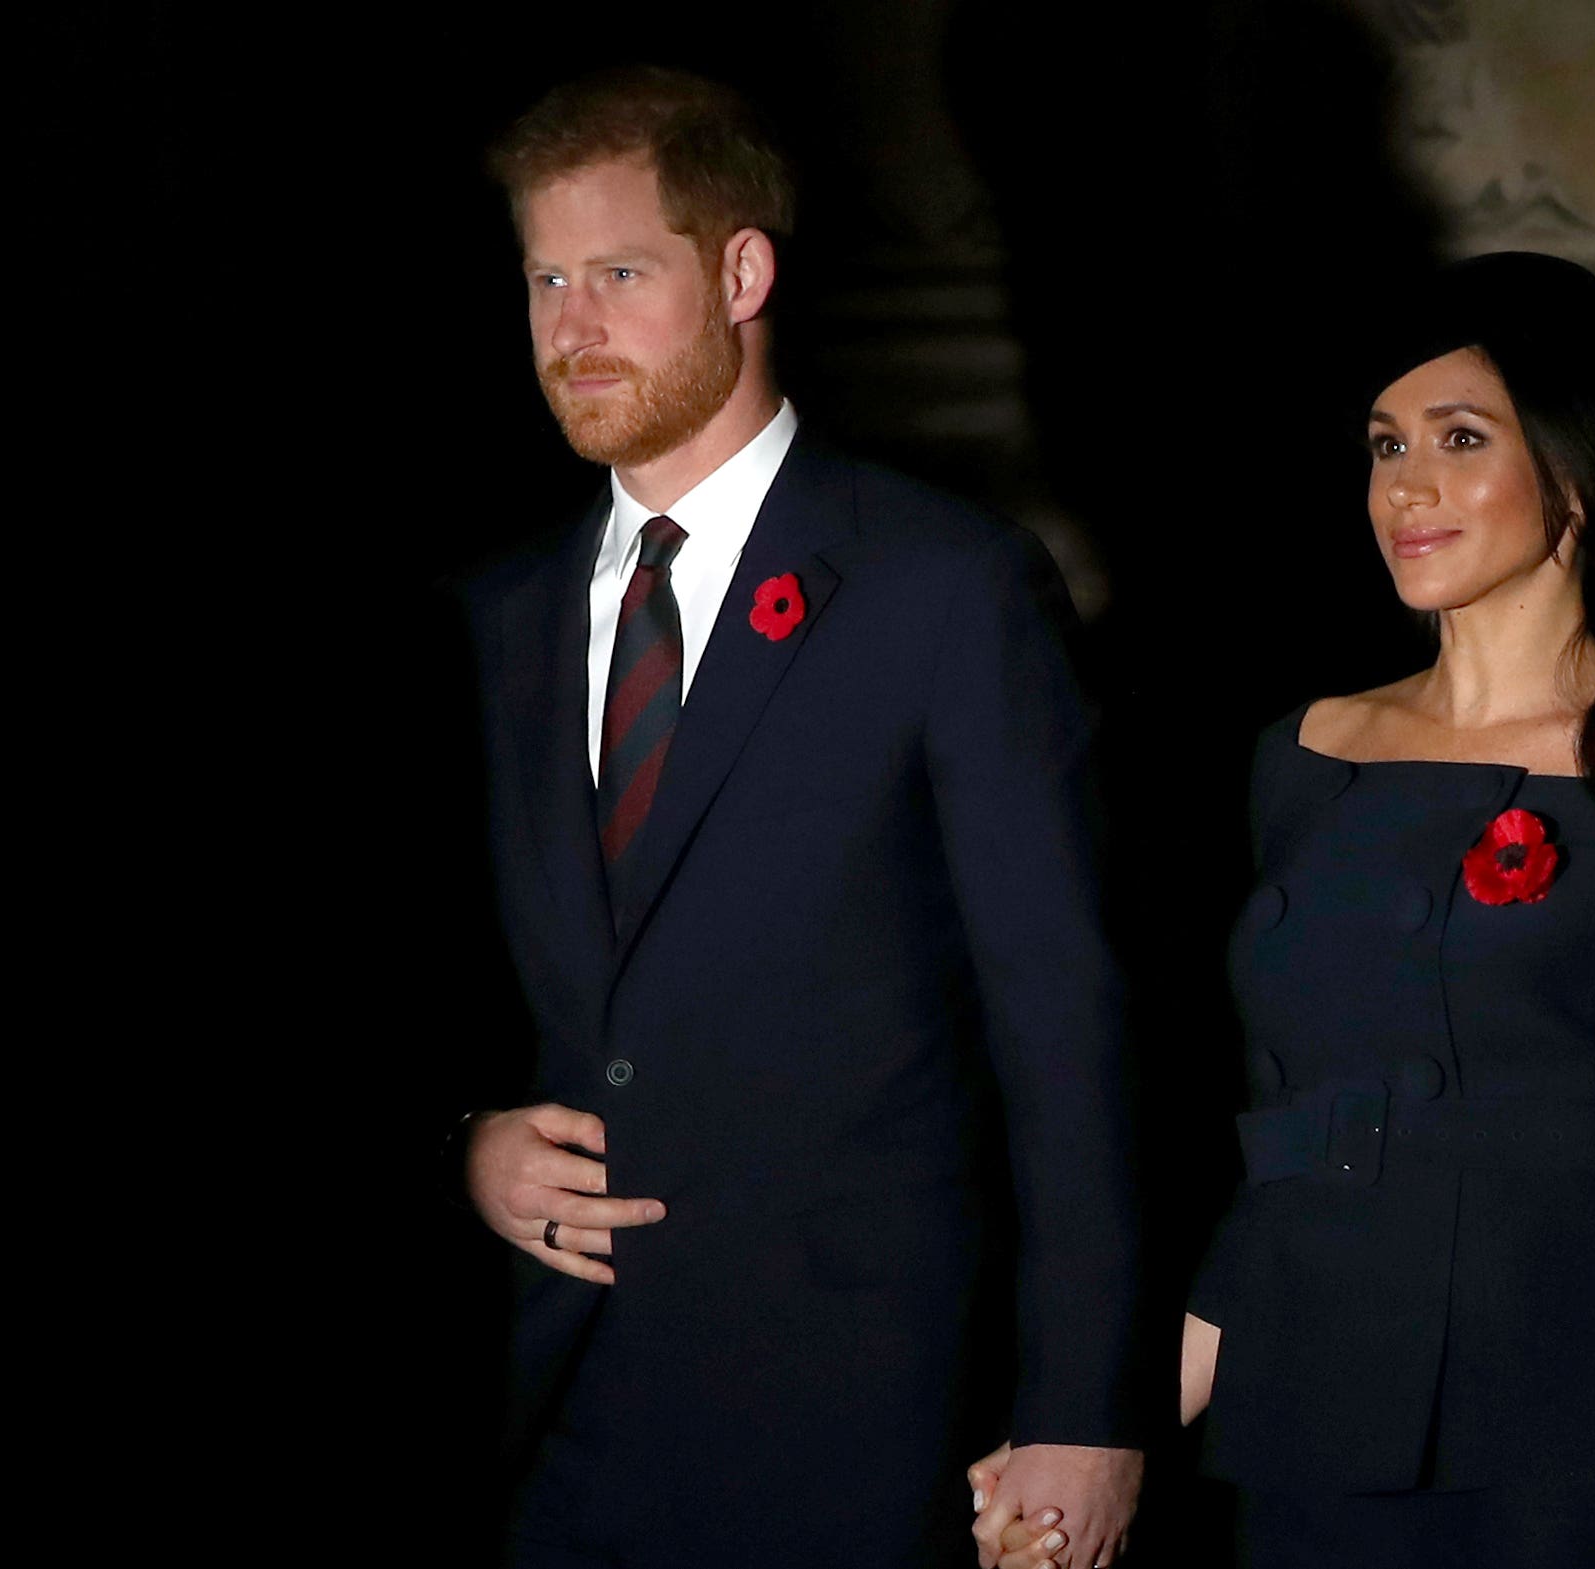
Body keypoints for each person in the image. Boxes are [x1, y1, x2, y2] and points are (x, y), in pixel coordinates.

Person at [976, 252, 1595, 1567]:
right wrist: (1088, 1438)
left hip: (1588, 1448)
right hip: (1305, 1441)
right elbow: (1284, 1160)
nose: (1405, 484)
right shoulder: (1302, 754)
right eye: (1385, 444)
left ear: (1573, 473)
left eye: (1460, 440)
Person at [449, 66, 1148, 1567]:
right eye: (545, 280)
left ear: (742, 269)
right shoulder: (496, 615)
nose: (572, 329)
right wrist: (467, 1140)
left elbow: (1064, 1019)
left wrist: (1084, 1406)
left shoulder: (943, 586)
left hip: (858, 1420)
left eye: (621, 274)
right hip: (550, 1419)